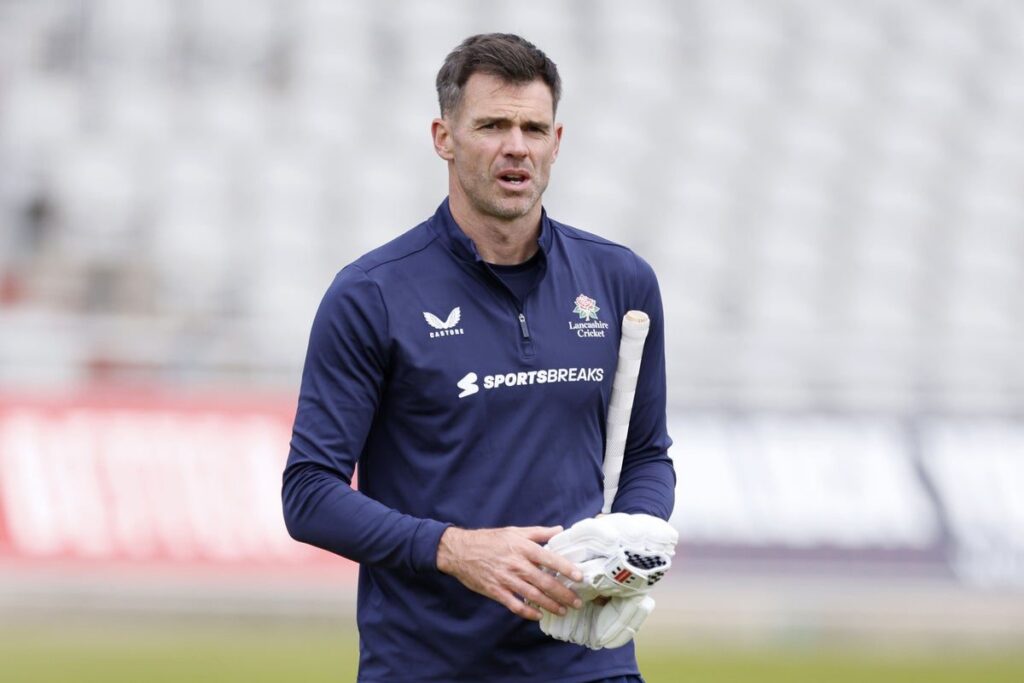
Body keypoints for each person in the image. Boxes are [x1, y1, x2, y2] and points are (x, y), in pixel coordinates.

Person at [283, 33, 675, 682]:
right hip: (428, 666)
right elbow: (309, 492)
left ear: (557, 141)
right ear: (444, 137)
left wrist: (630, 541)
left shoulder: (621, 282)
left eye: (533, 127)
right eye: (492, 125)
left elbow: (646, 453)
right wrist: (453, 549)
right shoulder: (372, 294)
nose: (516, 146)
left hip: (589, 665)